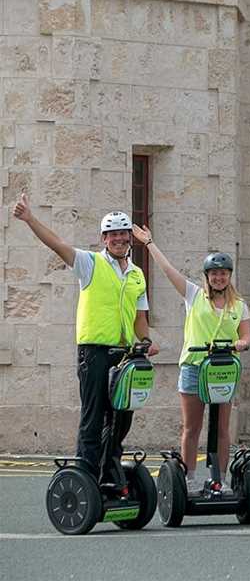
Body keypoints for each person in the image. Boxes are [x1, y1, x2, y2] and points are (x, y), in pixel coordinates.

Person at [11, 194, 159, 479]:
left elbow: (141, 321)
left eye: (123, 233)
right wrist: (30, 218)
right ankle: (88, 475)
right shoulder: (90, 263)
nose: (118, 238)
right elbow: (58, 244)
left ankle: (110, 468)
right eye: (112, 234)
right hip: (94, 352)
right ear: (104, 239)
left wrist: (147, 343)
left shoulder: (137, 275)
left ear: (130, 237)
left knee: (121, 417)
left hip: (126, 355)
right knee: (94, 417)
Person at [132, 225, 250, 492]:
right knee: (191, 427)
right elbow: (168, 270)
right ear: (207, 276)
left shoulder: (239, 305)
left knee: (222, 428)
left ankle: (221, 478)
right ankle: (189, 478)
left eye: (223, 273)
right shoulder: (194, 295)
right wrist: (150, 244)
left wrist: (241, 344)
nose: (219, 278)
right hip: (195, 368)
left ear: (229, 276)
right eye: (214, 274)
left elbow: (246, 335)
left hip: (223, 370)